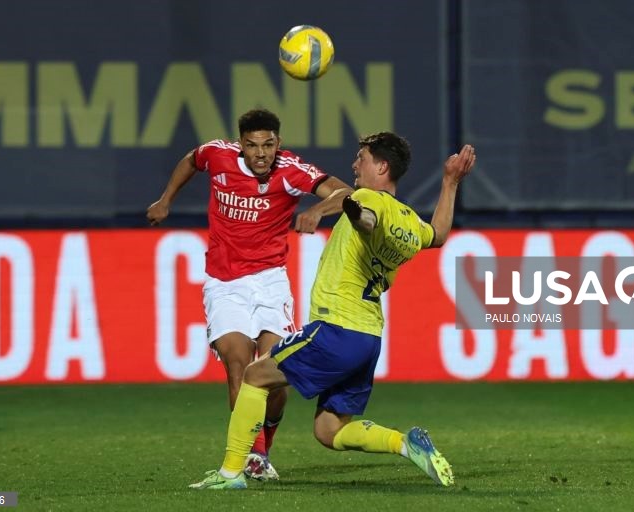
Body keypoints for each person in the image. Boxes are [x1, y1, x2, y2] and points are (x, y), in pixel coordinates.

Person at [189, 132, 476, 490]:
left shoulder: (368, 199)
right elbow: (439, 234)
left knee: (253, 377)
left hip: (337, 328)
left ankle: (230, 474)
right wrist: (450, 182)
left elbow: (365, 216)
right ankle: (404, 443)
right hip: (368, 338)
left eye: (363, 157)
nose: (355, 164)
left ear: (382, 166)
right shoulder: (409, 221)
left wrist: (324, 211)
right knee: (329, 430)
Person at [147, 109, 351, 481]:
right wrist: (166, 200)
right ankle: (249, 458)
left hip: (271, 283)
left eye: (268, 145)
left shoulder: (292, 171)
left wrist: (319, 209)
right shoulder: (217, 154)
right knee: (238, 365)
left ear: (278, 144)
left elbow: (346, 192)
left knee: (274, 373)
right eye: (253, 145)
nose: (261, 154)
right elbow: (191, 160)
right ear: (240, 144)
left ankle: (264, 444)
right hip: (224, 284)